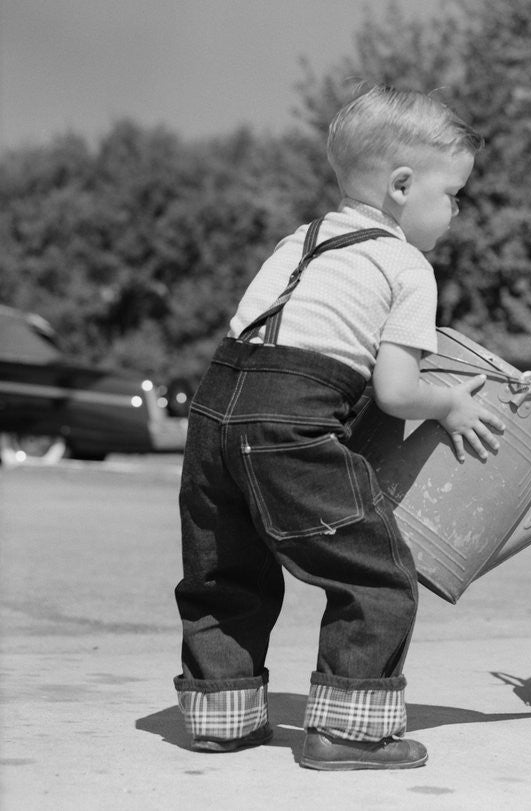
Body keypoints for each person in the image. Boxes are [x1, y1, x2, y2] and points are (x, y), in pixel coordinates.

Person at [173, 85, 504, 771]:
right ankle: (350, 729)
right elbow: (395, 389)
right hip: (292, 421)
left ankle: (221, 713)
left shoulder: (303, 239)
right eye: (453, 194)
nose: (457, 210)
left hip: (214, 413)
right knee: (375, 569)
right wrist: (449, 405)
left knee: (226, 570)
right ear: (402, 186)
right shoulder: (407, 265)